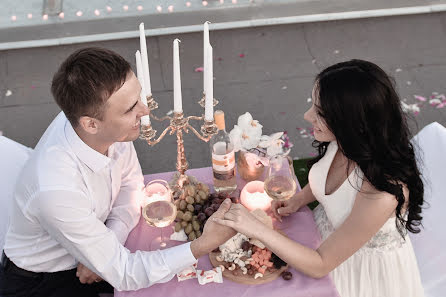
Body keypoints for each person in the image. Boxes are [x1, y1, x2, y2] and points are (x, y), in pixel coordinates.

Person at [0, 47, 235, 297]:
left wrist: (105, 247)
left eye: (139, 97)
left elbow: (131, 183)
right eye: (130, 108)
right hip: (43, 281)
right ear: (91, 124)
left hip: (92, 243)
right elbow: (125, 273)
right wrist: (203, 244)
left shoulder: (105, 126)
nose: (145, 111)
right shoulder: (56, 190)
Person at [214, 60, 425, 297]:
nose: (307, 116)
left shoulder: (382, 193)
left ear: (353, 123)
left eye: (320, 113)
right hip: (322, 237)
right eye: (313, 106)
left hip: (354, 268)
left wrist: (258, 229)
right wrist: (299, 199)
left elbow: (321, 264)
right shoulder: (345, 141)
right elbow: (331, 183)